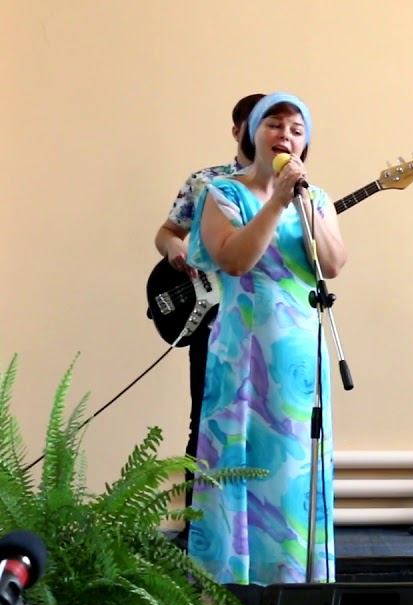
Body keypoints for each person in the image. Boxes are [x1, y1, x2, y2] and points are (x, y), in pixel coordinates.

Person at [186, 92, 347, 585]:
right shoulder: (222, 194)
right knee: (237, 460)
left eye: (297, 130)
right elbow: (234, 260)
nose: (286, 136)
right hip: (242, 352)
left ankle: (295, 583)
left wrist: (302, 202)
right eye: (274, 124)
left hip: (299, 358)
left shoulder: (315, 198)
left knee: (295, 467)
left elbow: (333, 264)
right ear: (252, 133)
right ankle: (225, 590)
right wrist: (276, 202)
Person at [153, 92, 263, 544]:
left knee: (266, 422)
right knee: (205, 416)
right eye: (257, 123)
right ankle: (195, 530)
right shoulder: (205, 182)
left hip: (266, 318)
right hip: (212, 317)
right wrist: (174, 249)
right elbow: (166, 232)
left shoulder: (287, 190)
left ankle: (257, 530)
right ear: (237, 130)